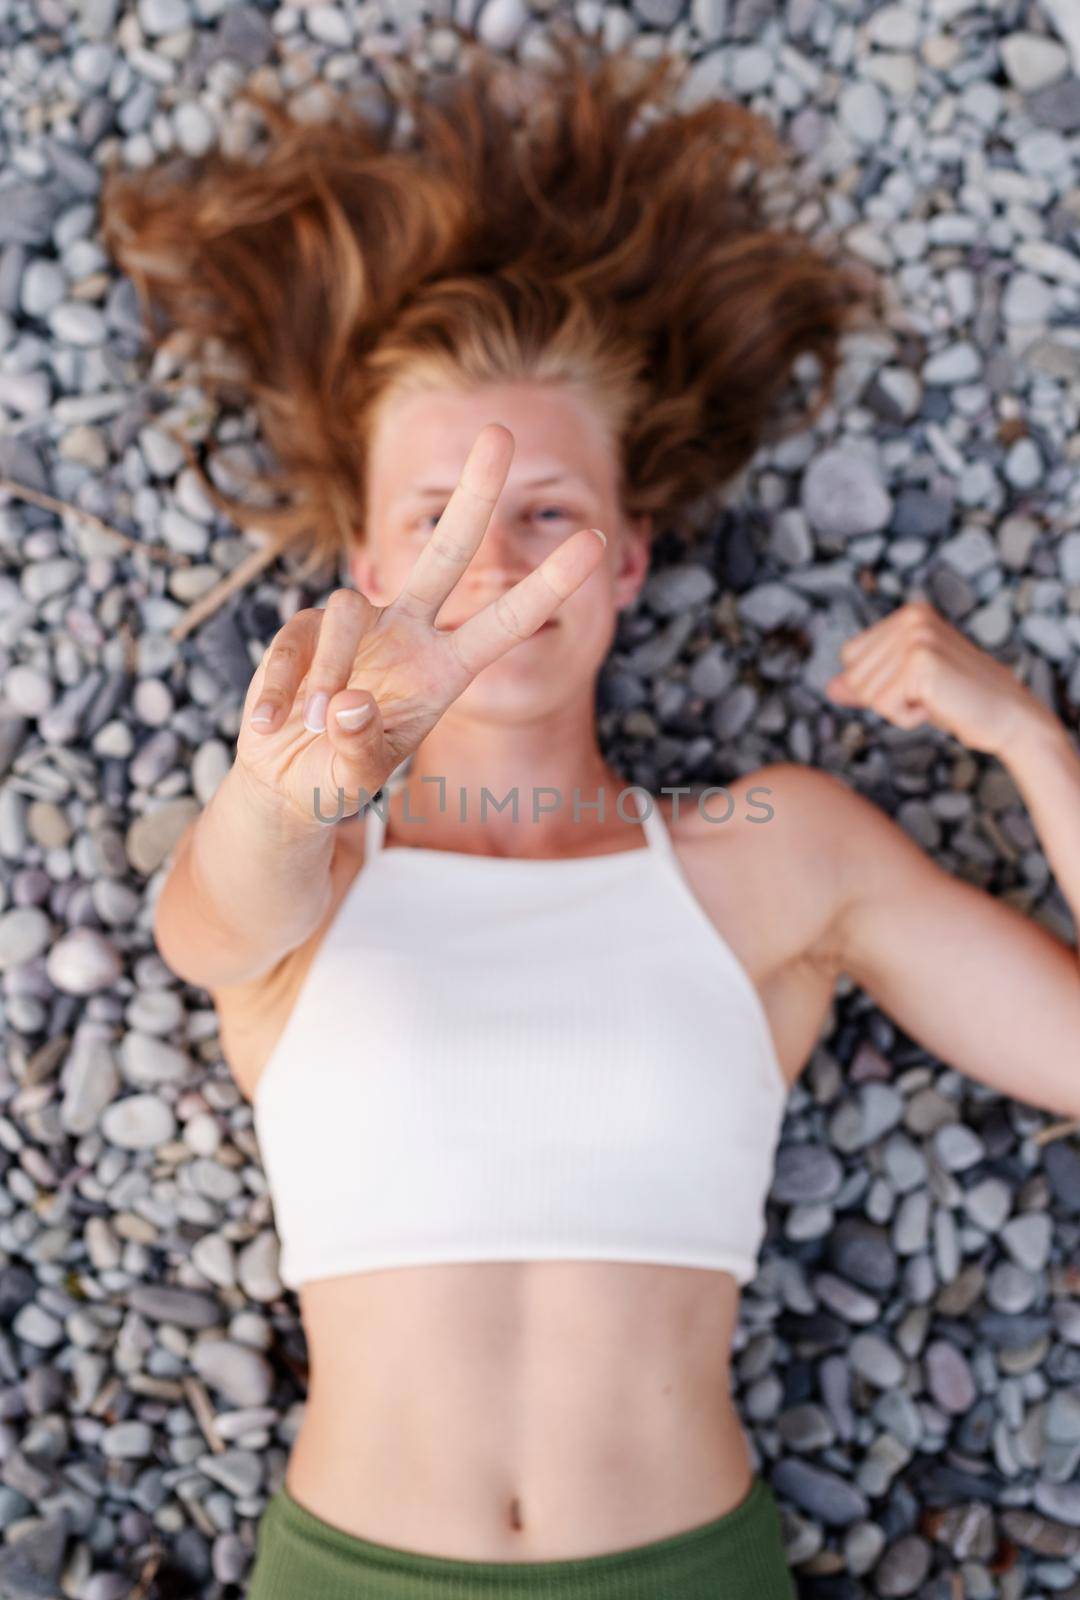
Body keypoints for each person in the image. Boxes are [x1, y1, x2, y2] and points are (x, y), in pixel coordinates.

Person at [100, 26, 1080, 1600]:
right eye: (444, 520)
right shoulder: (316, 857)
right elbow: (210, 915)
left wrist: (1028, 737)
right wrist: (289, 790)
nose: (495, 569)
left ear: (626, 559)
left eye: (546, 517)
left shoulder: (776, 853)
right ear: (368, 565)